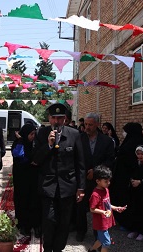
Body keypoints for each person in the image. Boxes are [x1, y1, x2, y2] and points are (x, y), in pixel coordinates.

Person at [33, 103, 86, 252]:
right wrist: (48, 146)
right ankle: (48, 248)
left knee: (64, 222)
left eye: (60, 118)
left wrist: (81, 187)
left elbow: (80, 163)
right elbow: (35, 160)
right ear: (49, 119)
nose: (57, 121)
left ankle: (58, 249)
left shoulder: (74, 134)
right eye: (54, 118)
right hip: (48, 186)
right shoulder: (41, 133)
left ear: (65, 119)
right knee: (49, 220)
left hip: (68, 187)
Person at [75, 113, 115, 242]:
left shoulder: (107, 141)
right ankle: (81, 231)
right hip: (82, 179)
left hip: (98, 181)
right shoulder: (79, 138)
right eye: (85, 124)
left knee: (98, 207)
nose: (87, 127)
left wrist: (96, 171)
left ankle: (98, 233)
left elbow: (110, 160)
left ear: (97, 124)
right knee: (81, 207)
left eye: (90, 125)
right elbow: (75, 159)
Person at [110, 122, 143, 229]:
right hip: (120, 175)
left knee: (125, 199)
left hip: (127, 177)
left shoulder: (134, 144)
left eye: (126, 131)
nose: (124, 133)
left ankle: (126, 221)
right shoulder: (129, 141)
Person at [88, 165, 127, 252]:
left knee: (100, 240)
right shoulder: (95, 194)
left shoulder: (106, 190)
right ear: (98, 181)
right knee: (107, 243)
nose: (108, 183)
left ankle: (91, 250)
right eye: (106, 181)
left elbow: (107, 204)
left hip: (106, 221)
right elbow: (92, 209)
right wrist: (103, 212)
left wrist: (116, 208)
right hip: (100, 223)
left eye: (109, 181)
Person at [11, 123, 41, 237]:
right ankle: (23, 226)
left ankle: (35, 224)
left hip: (33, 179)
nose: (33, 136)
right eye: (31, 134)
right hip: (22, 180)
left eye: (34, 134)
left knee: (34, 202)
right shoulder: (18, 143)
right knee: (22, 202)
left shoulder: (35, 144)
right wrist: (30, 161)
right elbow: (19, 157)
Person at [126, 145, 143, 241]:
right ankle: (135, 230)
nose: (140, 156)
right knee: (134, 210)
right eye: (138, 154)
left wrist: (140, 182)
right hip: (135, 192)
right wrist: (132, 180)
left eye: (142, 154)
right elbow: (131, 173)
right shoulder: (135, 163)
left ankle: (142, 232)